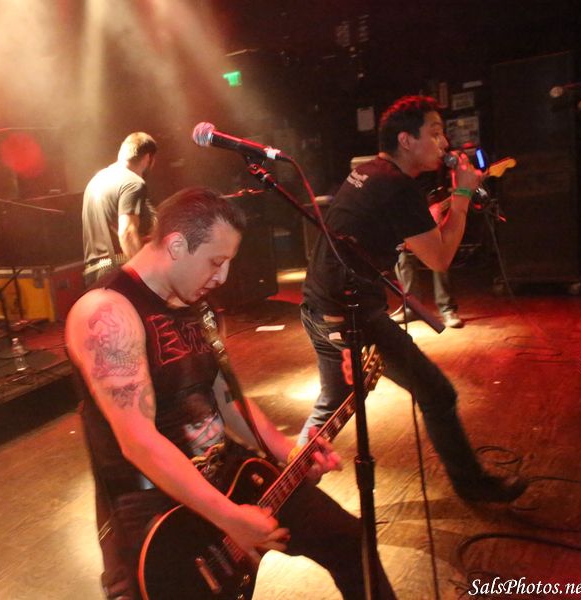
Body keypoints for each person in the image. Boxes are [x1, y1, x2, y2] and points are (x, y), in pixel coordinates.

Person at [66, 187, 395, 599]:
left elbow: (226, 399)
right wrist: (229, 518)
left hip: (233, 476)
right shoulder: (108, 312)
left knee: (350, 540)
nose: (222, 277)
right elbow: (139, 442)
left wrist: (288, 452)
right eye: (215, 262)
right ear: (176, 245)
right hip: (161, 513)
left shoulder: (197, 305)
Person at [299, 95, 527, 503]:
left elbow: (384, 232)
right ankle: (473, 487)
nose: (444, 143)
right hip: (352, 313)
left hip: (320, 305)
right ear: (406, 140)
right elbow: (439, 259)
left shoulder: (369, 172)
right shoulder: (397, 187)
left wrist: (434, 218)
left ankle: (289, 482)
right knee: (437, 393)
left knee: (333, 402)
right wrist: (461, 195)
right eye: (435, 133)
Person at [81, 132, 157, 287]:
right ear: (148, 158)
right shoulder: (133, 183)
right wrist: (146, 275)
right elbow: (127, 232)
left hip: (93, 274)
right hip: (118, 269)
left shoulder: (97, 180)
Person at [392, 171, 463, 328]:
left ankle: (447, 308)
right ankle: (412, 308)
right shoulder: (397, 170)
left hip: (433, 209)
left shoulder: (433, 163)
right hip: (408, 212)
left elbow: (447, 186)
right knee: (403, 257)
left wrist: (438, 204)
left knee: (439, 257)